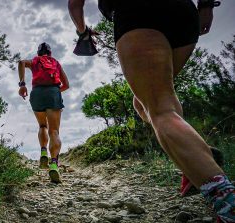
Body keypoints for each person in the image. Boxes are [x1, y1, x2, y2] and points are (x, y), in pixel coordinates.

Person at [68, 0, 235, 222]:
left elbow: (74, 3)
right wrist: (206, 6)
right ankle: (195, 158)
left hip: (138, 12)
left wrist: (83, 32)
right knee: (146, 102)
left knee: (160, 109)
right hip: (182, 14)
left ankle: (226, 201)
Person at [18, 42, 70, 183]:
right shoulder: (55, 63)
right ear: (50, 52)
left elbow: (21, 62)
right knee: (54, 131)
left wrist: (22, 84)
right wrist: (53, 92)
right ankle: (53, 164)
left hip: (37, 93)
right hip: (53, 92)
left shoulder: (35, 60)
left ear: (39, 52)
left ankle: (43, 152)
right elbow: (66, 85)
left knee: (42, 126)